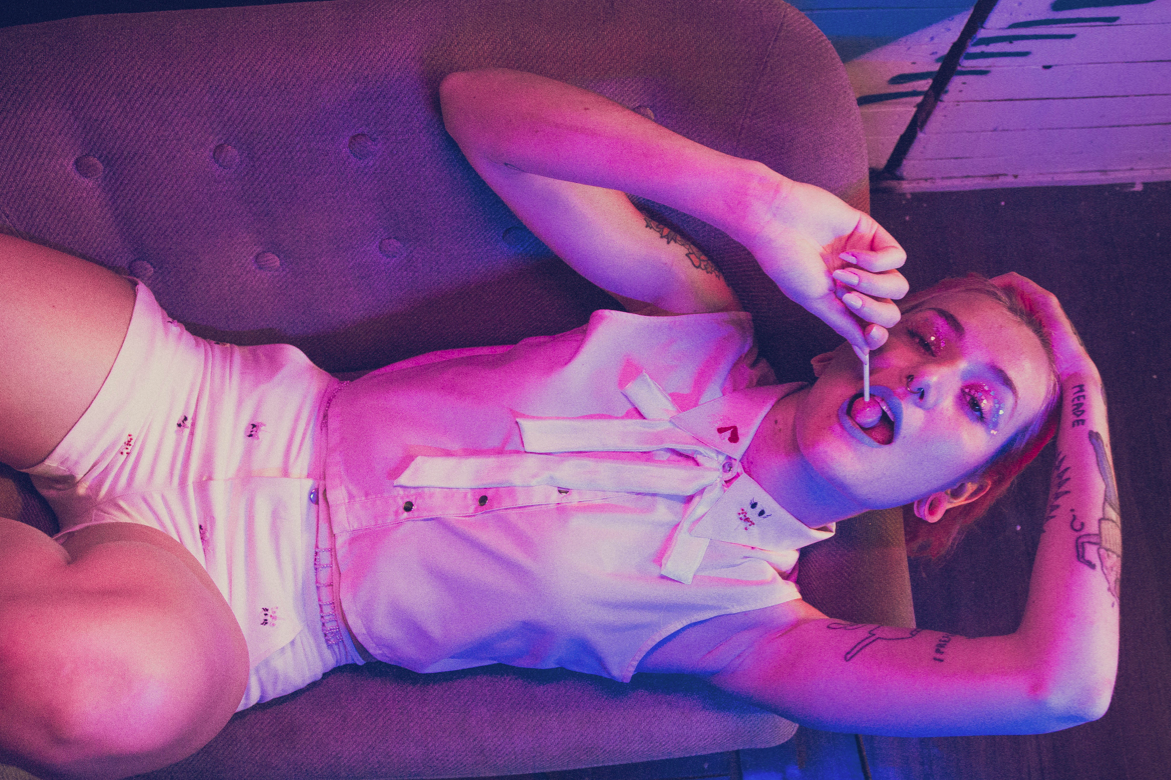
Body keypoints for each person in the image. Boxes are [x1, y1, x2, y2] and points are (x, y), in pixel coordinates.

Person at [0, 69, 1117, 780]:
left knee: (98, 694)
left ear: (951, 490)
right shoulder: (689, 313)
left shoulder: (750, 630)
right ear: (847, 337)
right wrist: (755, 203)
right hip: (205, 399)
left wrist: (1079, 402)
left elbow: (1059, 688)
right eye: (925, 336)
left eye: (977, 404)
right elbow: (481, 110)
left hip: (245, 605)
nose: (927, 379)